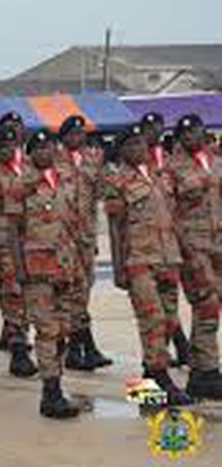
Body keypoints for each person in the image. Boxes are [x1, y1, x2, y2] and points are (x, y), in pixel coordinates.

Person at [103, 124, 192, 406]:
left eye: (140, 143)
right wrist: (118, 267)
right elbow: (115, 226)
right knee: (151, 320)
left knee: (169, 320)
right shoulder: (117, 182)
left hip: (167, 257)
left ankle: (146, 387)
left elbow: (173, 217)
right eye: (131, 145)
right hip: (139, 260)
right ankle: (160, 379)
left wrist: (183, 252)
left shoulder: (159, 175)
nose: (138, 149)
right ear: (121, 151)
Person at [15, 130, 82, 419]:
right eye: (39, 148)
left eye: (49, 147)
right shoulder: (21, 185)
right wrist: (19, 269)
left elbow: (73, 224)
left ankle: (57, 385)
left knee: (63, 329)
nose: (46, 152)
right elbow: (13, 230)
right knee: (47, 331)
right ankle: (50, 392)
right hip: (38, 269)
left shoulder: (65, 179)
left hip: (65, 266)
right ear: (30, 154)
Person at [166, 115, 222, 400]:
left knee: (212, 307)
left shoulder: (215, 161)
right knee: (206, 304)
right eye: (185, 134)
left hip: (218, 245)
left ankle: (201, 371)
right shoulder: (172, 168)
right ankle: (207, 372)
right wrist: (183, 248)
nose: (191, 137)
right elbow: (169, 212)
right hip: (193, 247)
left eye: (195, 131)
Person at [58, 116, 113, 371]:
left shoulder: (92, 161)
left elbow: (100, 194)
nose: (77, 138)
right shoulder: (53, 161)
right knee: (71, 293)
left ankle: (79, 347)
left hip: (85, 238)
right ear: (64, 137)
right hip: (62, 238)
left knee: (83, 291)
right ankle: (80, 347)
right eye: (72, 134)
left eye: (81, 134)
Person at [0, 126, 38, 378]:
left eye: (11, 146)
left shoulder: (27, 170)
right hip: (5, 241)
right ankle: (18, 347)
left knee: (27, 293)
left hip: (30, 240)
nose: (8, 151)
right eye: (2, 147)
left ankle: (19, 336)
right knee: (13, 293)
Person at [140, 112, 191, 367]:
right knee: (151, 312)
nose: (155, 131)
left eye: (158, 126)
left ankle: (172, 351)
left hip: (170, 243)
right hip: (144, 248)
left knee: (169, 303)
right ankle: (157, 363)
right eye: (149, 128)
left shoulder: (169, 161)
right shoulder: (137, 166)